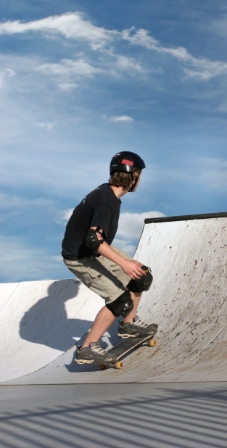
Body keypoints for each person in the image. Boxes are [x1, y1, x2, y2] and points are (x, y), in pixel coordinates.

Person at [62, 151, 157, 365]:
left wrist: (128, 265)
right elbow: (93, 239)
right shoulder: (106, 201)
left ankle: (128, 325)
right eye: (139, 175)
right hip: (80, 257)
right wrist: (123, 263)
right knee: (119, 300)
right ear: (133, 176)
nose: (139, 180)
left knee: (141, 276)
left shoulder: (108, 195)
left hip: (93, 250)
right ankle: (87, 348)